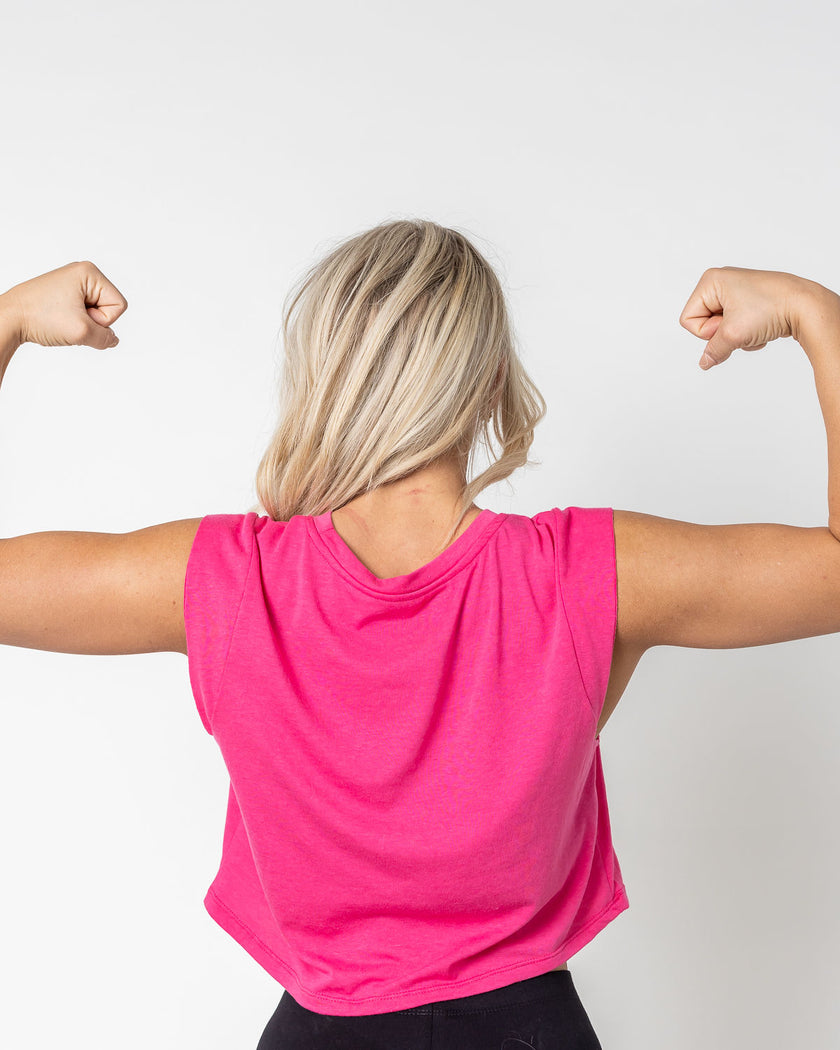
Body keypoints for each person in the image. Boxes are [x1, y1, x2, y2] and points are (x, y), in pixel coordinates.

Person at [0, 221, 838, 1050]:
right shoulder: (588, 570)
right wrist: (813, 311)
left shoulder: (223, 578)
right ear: (490, 382)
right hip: (531, 1031)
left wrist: (5, 320)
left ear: (321, 375)